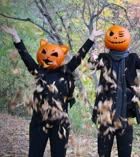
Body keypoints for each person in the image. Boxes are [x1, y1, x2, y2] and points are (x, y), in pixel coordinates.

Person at [0, 25, 103, 157]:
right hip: (39, 121)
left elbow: (79, 56)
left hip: (60, 123)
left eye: (54, 54)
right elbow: (25, 56)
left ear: (61, 55)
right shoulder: (38, 71)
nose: (48, 57)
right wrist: (15, 36)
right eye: (45, 53)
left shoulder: (66, 71)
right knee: (34, 154)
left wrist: (92, 37)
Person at [88, 25, 140, 157]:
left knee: (125, 153)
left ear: (126, 38)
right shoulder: (104, 58)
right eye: (113, 35)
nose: (116, 38)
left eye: (120, 36)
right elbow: (92, 66)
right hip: (106, 115)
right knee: (103, 153)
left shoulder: (132, 58)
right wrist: (92, 58)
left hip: (126, 115)